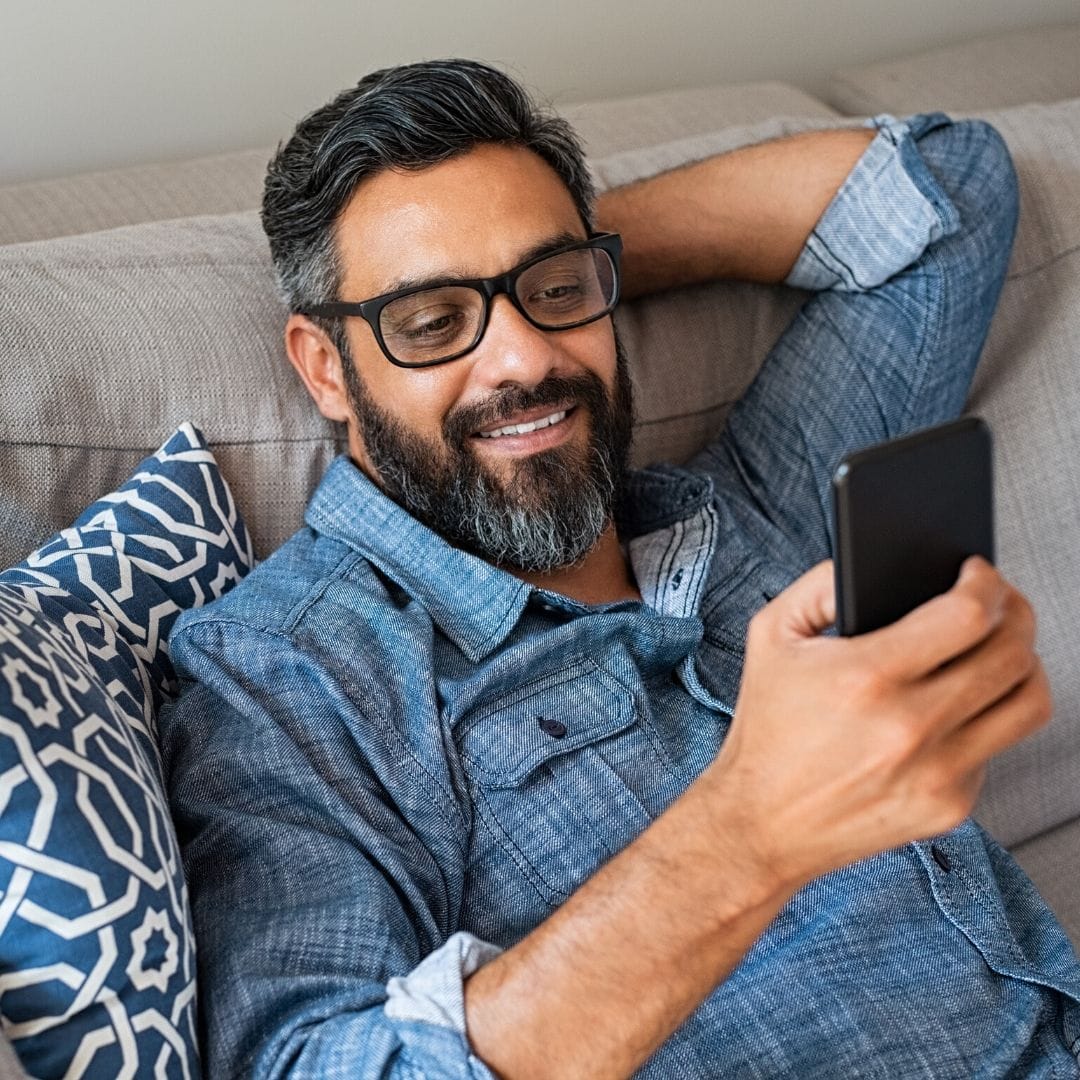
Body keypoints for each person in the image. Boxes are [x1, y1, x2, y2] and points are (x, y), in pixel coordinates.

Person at [159, 59, 1080, 1078]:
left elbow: (948, 194)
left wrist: (560, 267)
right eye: (432, 321)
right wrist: (750, 828)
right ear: (327, 366)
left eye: (556, 291)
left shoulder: (751, 507)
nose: (520, 361)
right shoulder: (289, 672)